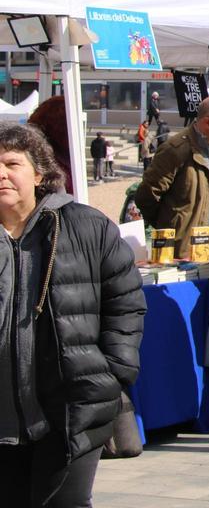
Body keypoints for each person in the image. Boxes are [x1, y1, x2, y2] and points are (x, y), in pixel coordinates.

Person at [0, 123, 145, 506]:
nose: (1, 173)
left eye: (11, 163)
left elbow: (126, 303)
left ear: (40, 173)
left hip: (71, 410)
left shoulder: (84, 226)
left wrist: (112, 372)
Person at [134, 96, 209, 256]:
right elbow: (145, 196)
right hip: (182, 255)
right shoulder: (176, 150)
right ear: (208, 122)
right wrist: (171, 225)